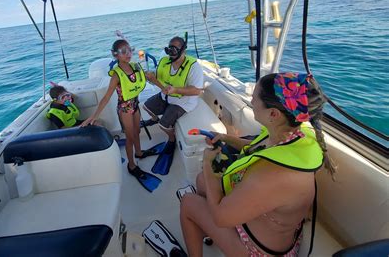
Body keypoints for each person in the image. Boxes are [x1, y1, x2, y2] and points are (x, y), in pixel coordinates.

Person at [180, 72, 336, 257]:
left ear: (273, 114)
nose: (251, 101)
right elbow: (258, 147)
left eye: (254, 97)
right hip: (262, 224)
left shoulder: (273, 175)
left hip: (257, 250)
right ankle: (205, 229)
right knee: (201, 181)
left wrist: (207, 164)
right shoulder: (290, 133)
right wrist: (226, 138)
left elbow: (221, 218)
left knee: (188, 203)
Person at [81, 40, 163, 192]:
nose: (128, 54)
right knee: (130, 137)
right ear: (115, 55)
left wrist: (163, 88)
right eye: (123, 52)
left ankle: (139, 153)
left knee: (137, 131)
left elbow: (149, 77)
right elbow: (106, 97)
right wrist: (93, 116)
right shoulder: (116, 75)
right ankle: (131, 165)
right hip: (125, 109)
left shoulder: (135, 66)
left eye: (129, 51)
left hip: (135, 105)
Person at [143, 35, 203, 175]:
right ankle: (154, 118)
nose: (170, 53)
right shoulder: (164, 61)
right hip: (166, 95)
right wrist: (151, 78)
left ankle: (171, 139)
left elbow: (196, 91)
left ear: (183, 50)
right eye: (169, 49)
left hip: (184, 101)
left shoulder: (194, 66)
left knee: (163, 125)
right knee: (146, 107)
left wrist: (176, 90)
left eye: (174, 50)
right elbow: (158, 80)